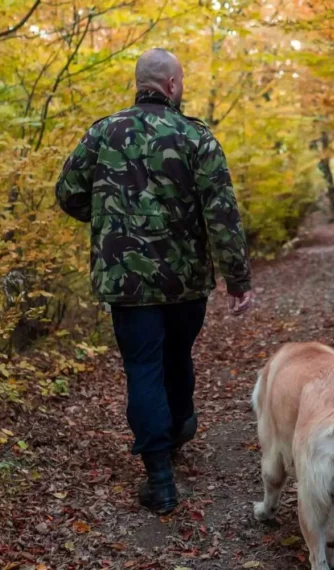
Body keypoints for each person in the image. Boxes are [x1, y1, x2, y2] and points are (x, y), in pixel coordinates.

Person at [54, 48, 254, 515]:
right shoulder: (195, 137)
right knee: (176, 354)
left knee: (143, 366)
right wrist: (237, 279)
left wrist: (106, 218)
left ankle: (160, 477)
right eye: (180, 81)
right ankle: (179, 427)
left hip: (126, 284)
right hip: (184, 281)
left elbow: (67, 193)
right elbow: (221, 213)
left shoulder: (103, 132)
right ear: (170, 85)